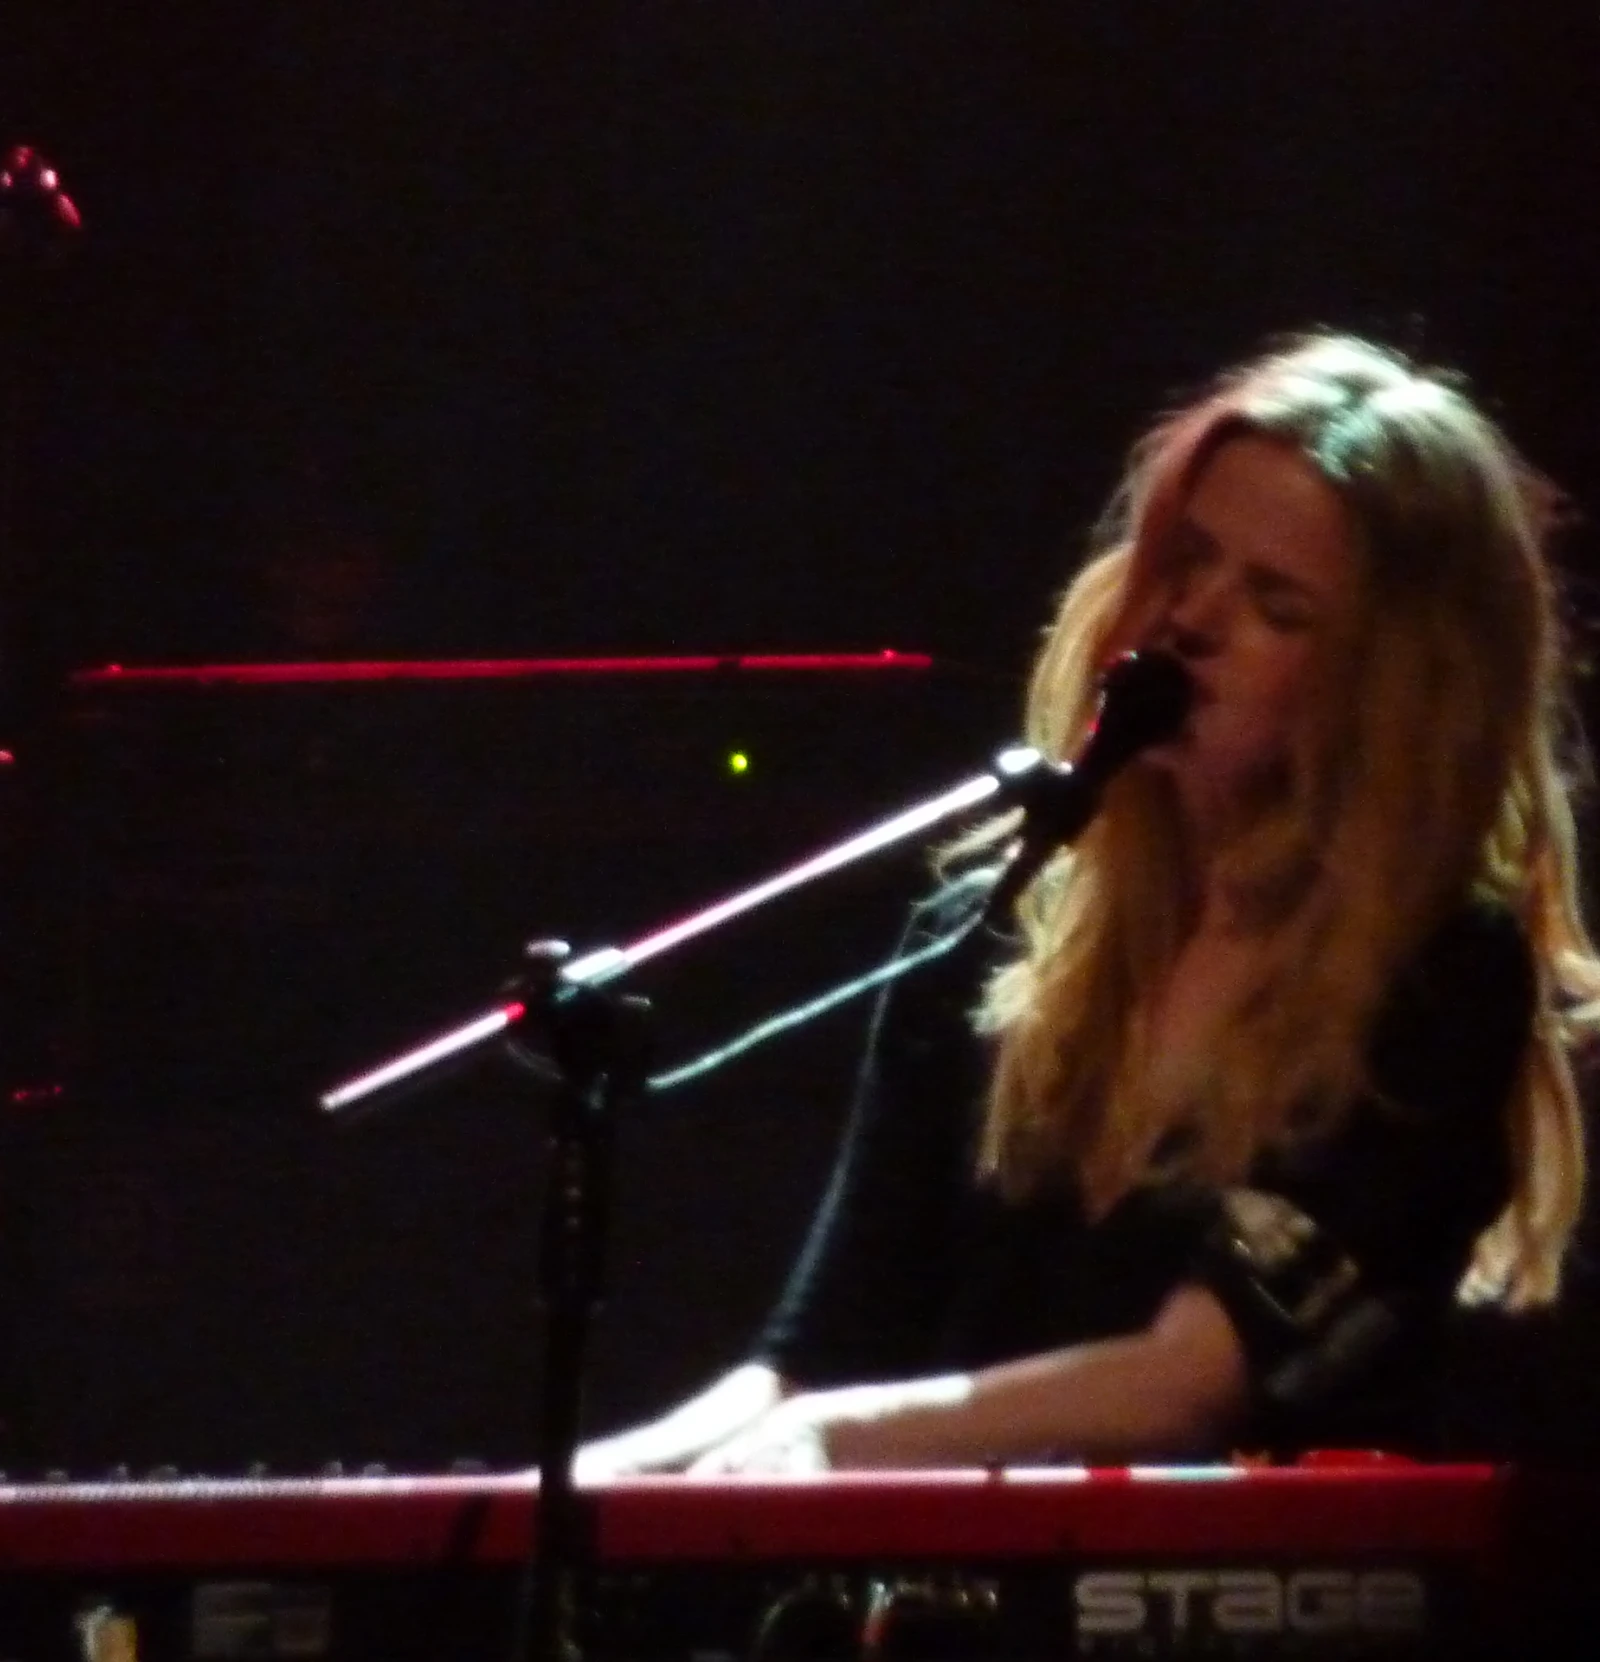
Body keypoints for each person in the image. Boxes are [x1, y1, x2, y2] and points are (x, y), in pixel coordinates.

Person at [577, 332, 1600, 1474]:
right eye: (1186, 559)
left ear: (1390, 683)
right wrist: (576, 1493)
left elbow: (1187, 1385)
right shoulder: (983, 930)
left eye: (1275, 604)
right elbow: (816, 1354)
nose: (1190, 620)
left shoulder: (1439, 976)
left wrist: (820, 1435)